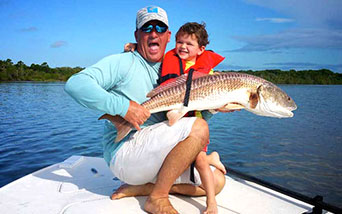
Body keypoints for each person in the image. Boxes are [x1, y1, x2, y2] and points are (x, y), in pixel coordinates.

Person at [65, 6, 226, 214]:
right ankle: (157, 197)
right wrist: (123, 107)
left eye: (159, 28)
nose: (153, 33)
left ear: (168, 36)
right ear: (137, 34)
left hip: (158, 153)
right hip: (126, 153)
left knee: (217, 182)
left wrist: (213, 109)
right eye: (146, 28)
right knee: (199, 128)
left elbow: (189, 118)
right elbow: (75, 84)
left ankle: (148, 187)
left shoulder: (176, 67)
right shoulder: (123, 61)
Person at [160, 22, 226, 214]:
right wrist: (132, 47)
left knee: (199, 160)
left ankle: (211, 202)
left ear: (201, 49)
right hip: (177, 119)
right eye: (179, 42)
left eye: (189, 44)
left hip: (196, 123)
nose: (183, 47)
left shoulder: (208, 71)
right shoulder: (169, 59)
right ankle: (212, 157)